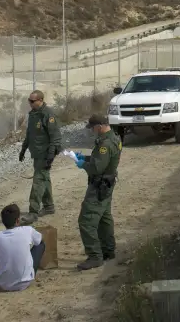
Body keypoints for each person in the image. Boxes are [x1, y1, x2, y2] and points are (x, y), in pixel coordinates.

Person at [76, 113, 122, 271]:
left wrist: (83, 165)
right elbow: (102, 160)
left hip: (99, 186)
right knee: (104, 218)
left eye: (94, 128)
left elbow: (97, 168)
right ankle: (108, 250)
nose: (92, 131)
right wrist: (86, 158)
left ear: (100, 126)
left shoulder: (105, 144)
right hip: (107, 185)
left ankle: (95, 256)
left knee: (86, 221)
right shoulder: (114, 138)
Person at [18, 90, 60, 222]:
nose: (30, 103)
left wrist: (51, 155)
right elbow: (30, 134)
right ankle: (48, 206)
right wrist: (23, 149)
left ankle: (33, 211)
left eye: (32, 101)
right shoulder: (33, 114)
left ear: (40, 100)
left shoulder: (47, 114)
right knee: (44, 179)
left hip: (45, 153)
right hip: (36, 153)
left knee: (38, 182)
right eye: (29, 101)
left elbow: (55, 137)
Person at [0, 203, 45, 292]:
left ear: (3, 222)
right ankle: (27, 273)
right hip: (25, 282)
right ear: (18, 220)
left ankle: (6, 275)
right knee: (40, 244)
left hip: (3, 284)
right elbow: (39, 240)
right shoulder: (27, 230)